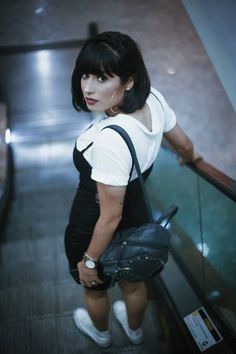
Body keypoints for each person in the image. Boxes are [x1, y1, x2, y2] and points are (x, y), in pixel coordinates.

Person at [64, 31, 201, 348]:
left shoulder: (112, 139)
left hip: (93, 222)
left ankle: (101, 334)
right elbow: (184, 143)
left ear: (128, 81)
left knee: (94, 288)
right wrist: (192, 159)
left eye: (101, 78)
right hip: (138, 211)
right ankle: (136, 331)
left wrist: (88, 262)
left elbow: (109, 217)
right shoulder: (153, 99)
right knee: (133, 283)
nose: (87, 87)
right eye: (85, 75)